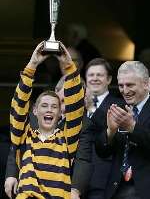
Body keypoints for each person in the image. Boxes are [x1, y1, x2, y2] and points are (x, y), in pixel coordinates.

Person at [9, 41, 84, 199]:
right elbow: (18, 107)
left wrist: (69, 65)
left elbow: (76, 107)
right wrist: (32, 64)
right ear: (35, 111)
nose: (49, 109)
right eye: (44, 105)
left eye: (54, 107)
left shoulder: (67, 139)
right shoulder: (24, 137)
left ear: (59, 113)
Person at [95, 61, 150, 199]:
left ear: (146, 84)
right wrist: (110, 132)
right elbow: (102, 152)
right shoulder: (118, 108)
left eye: (130, 85)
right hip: (116, 189)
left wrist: (132, 127)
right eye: (121, 85)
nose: (125, 91)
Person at [71, 58, 124, 199]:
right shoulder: (74, 105)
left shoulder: (120, 104)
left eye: (99, 75)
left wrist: (91, 108)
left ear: (109, 79)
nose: (94, 78)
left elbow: (114, 131)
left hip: (102, 176)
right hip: (75, 177)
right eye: (91, 75)